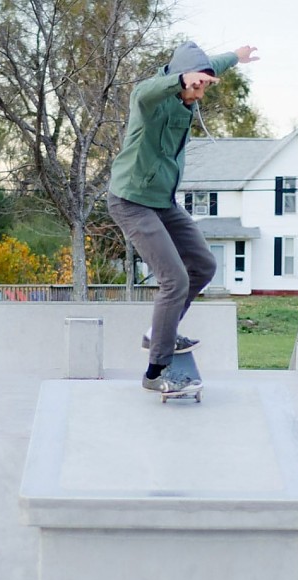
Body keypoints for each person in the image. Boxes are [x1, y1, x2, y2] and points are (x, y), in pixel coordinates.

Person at [107, 41, 260, 394]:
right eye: (197, 86)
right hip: (130, 200)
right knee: (173, 279)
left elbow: (210, 67)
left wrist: (234, 57)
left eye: (205, 86)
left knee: (203, 265)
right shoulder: (151, 102)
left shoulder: (196, 83)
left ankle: (159, 330)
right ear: (180, 78)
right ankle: (155, 371)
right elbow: (143, 91)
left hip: (164, 201)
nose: (200, 94)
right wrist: (180, 79)